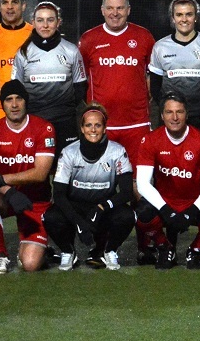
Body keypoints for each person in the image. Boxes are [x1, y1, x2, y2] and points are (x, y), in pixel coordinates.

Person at [134, 91, 200, 269]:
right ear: (162, 116)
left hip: (195, 201)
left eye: (179, 112)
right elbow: (143, 184)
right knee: (142, 212)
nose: (174, 117)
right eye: (169, 112)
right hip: (165, 201)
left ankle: (197, 248)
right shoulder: (150, 140)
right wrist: (166, 210)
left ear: (187, 114)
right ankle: (165, 247)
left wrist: (192, 211)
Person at [0, 80, 57, 273]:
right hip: (7, 198)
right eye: (9, 100)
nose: (14, 104)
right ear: (2, 104)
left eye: (19, 99)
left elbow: (40, 173)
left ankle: (40, 249)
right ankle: (0, 255)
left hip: (35, 201)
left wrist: (2, 179)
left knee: (30, 264)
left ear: (25, 101)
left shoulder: (44, 128)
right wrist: (10, 192)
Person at [45, 103, 135, 271]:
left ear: (105, 128)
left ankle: (108, 250)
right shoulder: (69, 152)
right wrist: (78, 222)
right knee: (51, 217)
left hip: (103, 207)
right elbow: (58, 194)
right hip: (75, 207)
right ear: (82, 128)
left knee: (127, 216)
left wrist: (101, 208)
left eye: (98, 125)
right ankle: (68, 251)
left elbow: (126, 192)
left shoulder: (117, 151)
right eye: (88, 125)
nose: (93, 130)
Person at [77, 0, 155, 163]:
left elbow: (153, 74)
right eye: (110, 8)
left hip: (137, 123)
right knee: (101, 175)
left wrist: (143, 97)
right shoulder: (89, 39)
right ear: (102, 10)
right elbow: (80, 78)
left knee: (138, 175)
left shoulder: (143, 36)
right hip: (101, 124)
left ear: (128, 10)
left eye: (120, 8)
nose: (115, 13)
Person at [12, 0, 87, 151]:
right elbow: (16, 90)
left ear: (58, 22)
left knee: (66, 164)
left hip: (65, 122)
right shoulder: (22, 53)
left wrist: (65, 110)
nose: (45, 25)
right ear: (33, 22)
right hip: (34, 122)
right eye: (40, 20)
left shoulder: (71, 50)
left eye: (50, 20)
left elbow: (81, 87)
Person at [149, 0, 200, 139]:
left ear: (196, 17)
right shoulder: (160, 47)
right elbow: (155, 86)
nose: (184, 19)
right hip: (171, 120)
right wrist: (169, 109)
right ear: (173, 18)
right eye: (179, 15)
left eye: (189, 14)